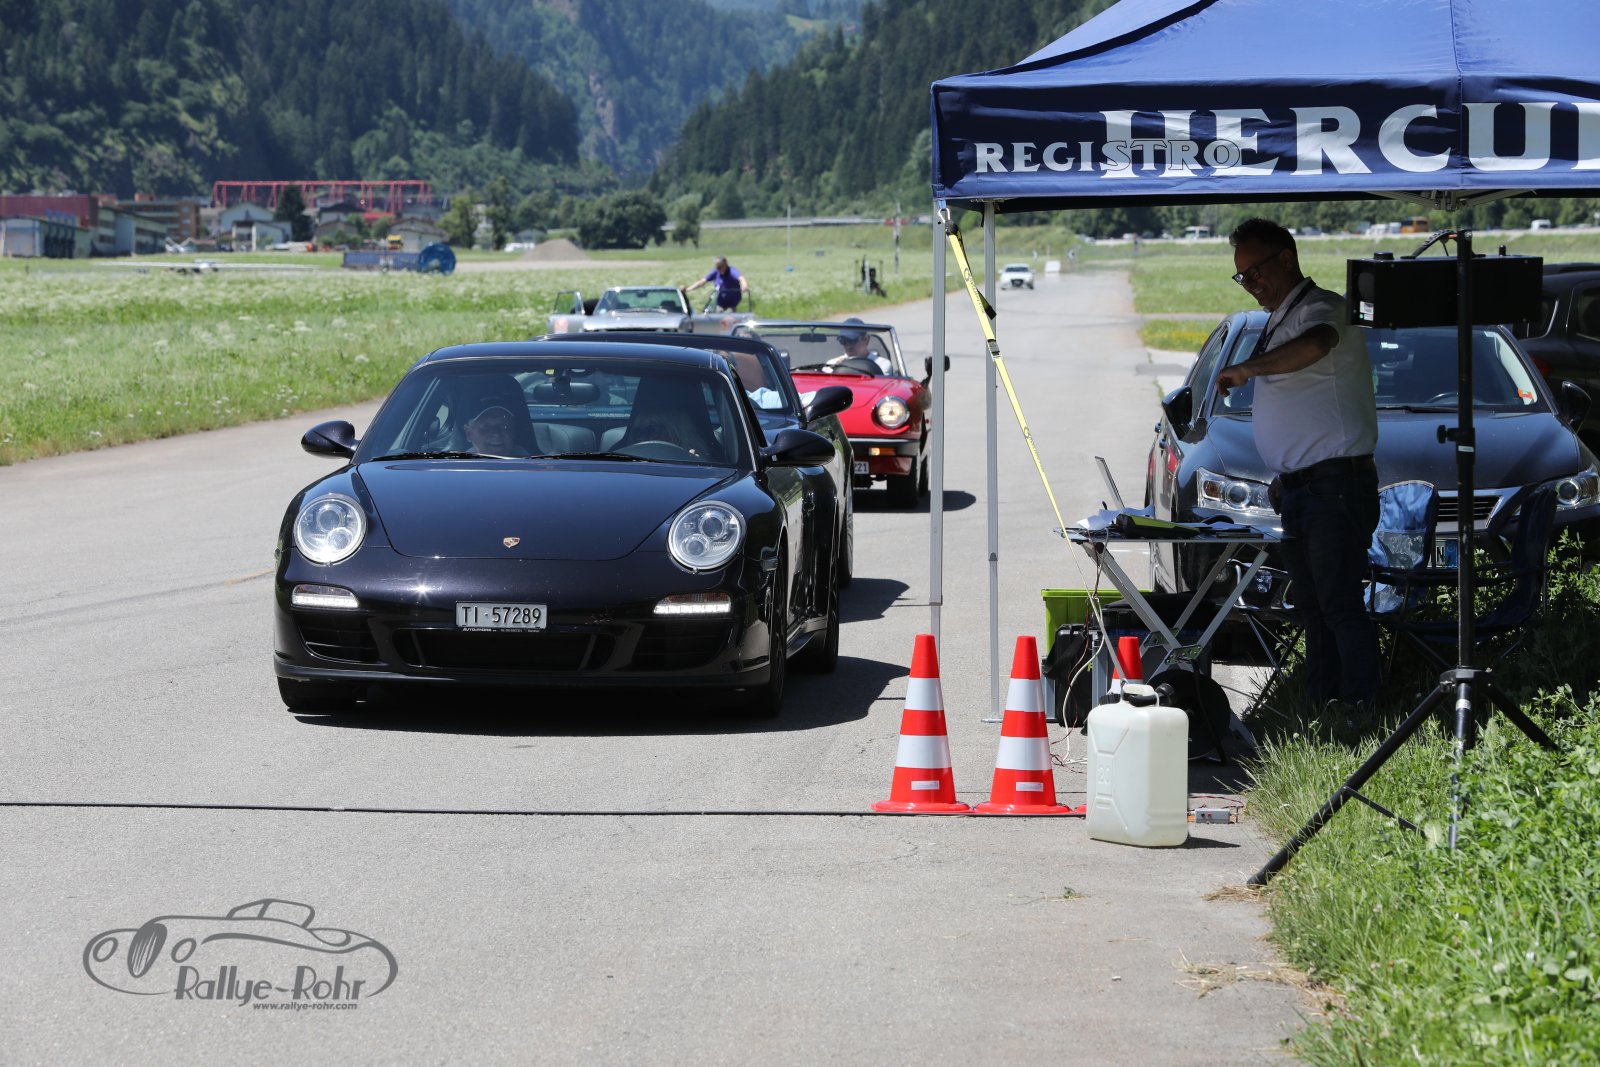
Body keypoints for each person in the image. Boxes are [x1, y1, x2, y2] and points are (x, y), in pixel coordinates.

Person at [1213, 217, 1380, 731]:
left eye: (1257, 271)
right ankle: (1321, 705)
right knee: (1311, 605)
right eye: (1242, 276)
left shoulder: (1323, 308)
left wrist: (1248, 368)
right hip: (1303, 489)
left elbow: (1316, 345)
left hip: (1335, 486)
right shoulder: (1280, 315)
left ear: (1287, 258)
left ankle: (1362, 709)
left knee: (1338, 603)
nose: (1251, 283)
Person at [826, 318, 892, 374]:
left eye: (852, 341)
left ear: (866, 340)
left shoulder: (882, 364)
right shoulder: (831, 364)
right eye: (843, 341)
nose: (848, 346)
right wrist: (836, 370)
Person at [461, 402, 528, 457]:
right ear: (468, 434)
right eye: (486, 427)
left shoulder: (529, 463)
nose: (496, 433)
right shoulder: (460, 467)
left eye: (503, 426)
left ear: (513, 432)